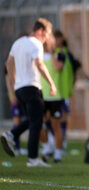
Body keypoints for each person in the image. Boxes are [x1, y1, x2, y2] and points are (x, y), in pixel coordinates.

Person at [1, 18, 56, 167]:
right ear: (40, 31)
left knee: (32, 120)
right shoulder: (36, 43)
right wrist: (51, 84)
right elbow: (39, 64)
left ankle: (12, 135)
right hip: (32, 87)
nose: (47, 39)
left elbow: (8, 63)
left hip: (20, 89)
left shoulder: (18, 42)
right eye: (47, 35)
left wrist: (13, 82)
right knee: (36, 122)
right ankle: (31, 158)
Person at [40, 33, 65, 163]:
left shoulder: (60, 54)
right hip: (41, 96)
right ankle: (46, 148)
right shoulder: (38, 54)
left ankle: (58, 154)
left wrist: (51, 53)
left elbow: (57, 67)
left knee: (56, 125)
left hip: (55, 96)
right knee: (40, 124)